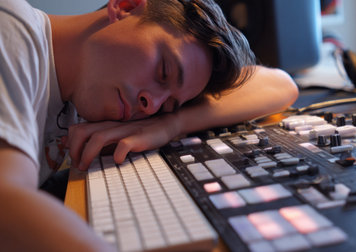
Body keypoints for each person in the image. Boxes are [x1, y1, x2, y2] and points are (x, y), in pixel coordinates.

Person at [0, 0, 298, 251]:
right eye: (163, 71)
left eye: (167, 103)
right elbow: (7, 202)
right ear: (126, 6)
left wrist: (172, 123)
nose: (151, 106)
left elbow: (280, 86)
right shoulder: (11, 29)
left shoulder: (91, 82)